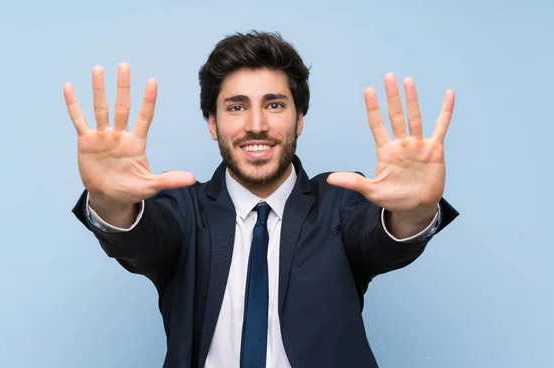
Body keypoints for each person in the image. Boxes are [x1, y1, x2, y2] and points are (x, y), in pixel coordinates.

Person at [65, 31, 459, 368]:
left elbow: (379, 238)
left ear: (299, 118)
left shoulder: (339, 202)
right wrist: (111, 202)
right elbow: (142, 237)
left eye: (274, 105)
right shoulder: (183, 210)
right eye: (236, 107)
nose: (256, 126)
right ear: (212, 123)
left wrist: (415, 210)